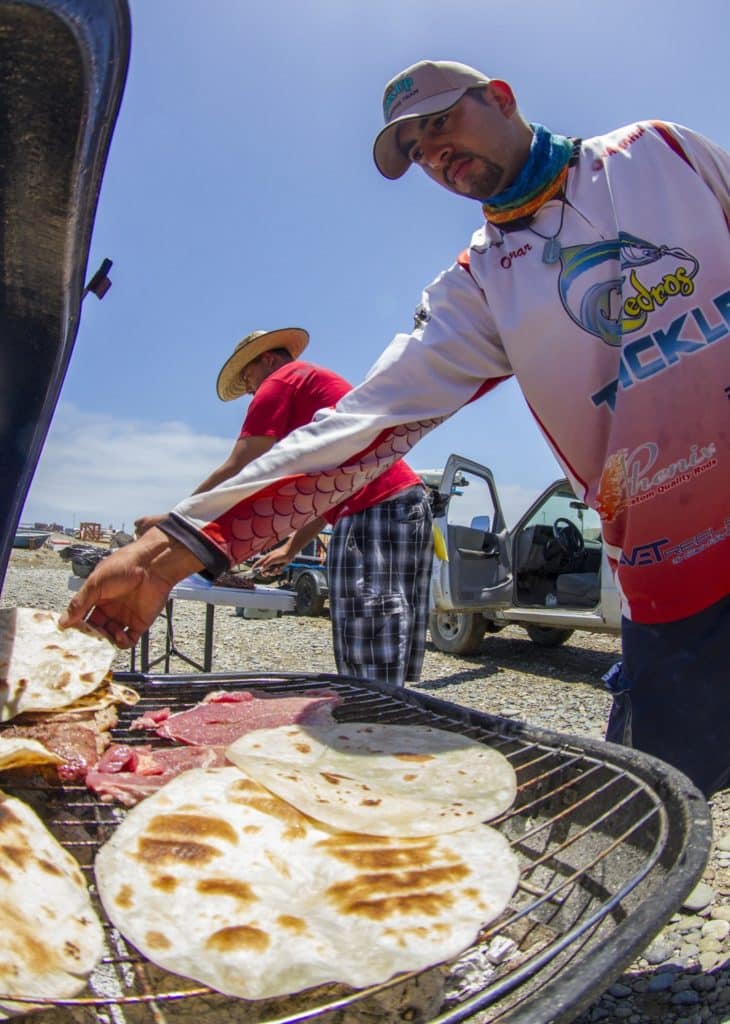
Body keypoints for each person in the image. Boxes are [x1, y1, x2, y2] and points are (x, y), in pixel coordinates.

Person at [63, 60, 730, 796]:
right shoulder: (481, 286)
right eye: (414, 149)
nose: (433, 154)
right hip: (676, 580)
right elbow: (368, 422)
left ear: (501, 98)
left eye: (440, 122)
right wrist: (166, 553)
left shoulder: (662, 154)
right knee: (656, 802)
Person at [136, 327, 433, 688]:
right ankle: (390, 714)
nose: (249, 389)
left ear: (268, 359)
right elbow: (328, 492)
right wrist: (291, 548)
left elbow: (243, 463)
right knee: (390, 627)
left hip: (371, 508)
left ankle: (372, 723)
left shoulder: (283, 379)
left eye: (248, 377)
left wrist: (176, 520)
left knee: (367, 628)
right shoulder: (311, 387)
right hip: (407, 502)